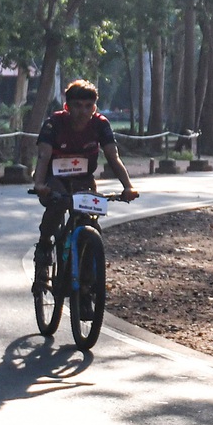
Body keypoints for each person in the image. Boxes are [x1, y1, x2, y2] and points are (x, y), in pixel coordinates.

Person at [32, 80, 138, 283]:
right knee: (58, 203)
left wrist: (128, 186)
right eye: (77, 105)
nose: (83, 111)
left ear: (94, 107)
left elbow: (113, 157)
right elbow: (43, 157)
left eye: (88, 106)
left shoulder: (101, 124)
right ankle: (45, 244)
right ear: (67, 106)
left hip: (83, 179)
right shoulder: (54, 123)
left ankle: (87, 286)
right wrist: (39, 184)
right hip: (53, 178)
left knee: (91, 224)